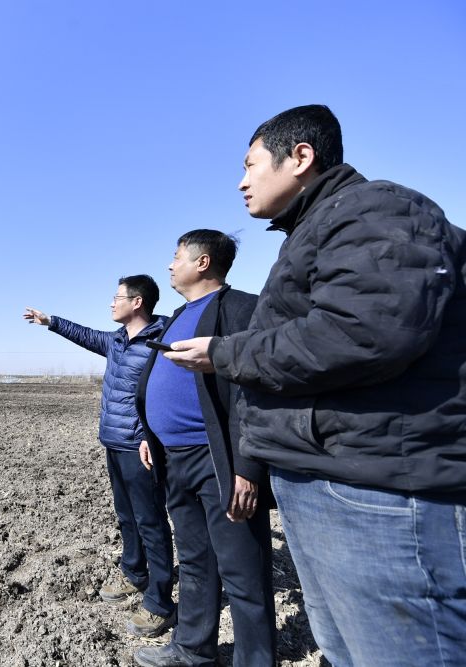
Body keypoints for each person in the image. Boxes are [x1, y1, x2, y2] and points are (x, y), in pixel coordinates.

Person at [167, 104, 466, 667]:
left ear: (300, 157)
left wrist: (227, 353)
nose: (241, 181)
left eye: (251, 164)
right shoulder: (318, 229)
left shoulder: (375, 210)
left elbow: (364, 332)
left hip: (379, 494)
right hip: (332, 479)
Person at [133, 230, 276, 667]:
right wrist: (150, 433)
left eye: (176, 256)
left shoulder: (242, 309)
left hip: (219, 461)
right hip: (173, 459)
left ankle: (255, 660)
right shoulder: (178, 314)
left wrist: (247, 468)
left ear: (202, 262)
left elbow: (257, 395)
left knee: (243, 571)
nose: (169, 265)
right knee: (195, 561)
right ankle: (193, 649)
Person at [23, 275, 176, 634]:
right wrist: (51, 322)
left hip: (141, 450)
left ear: (137, 302)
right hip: (113, 442)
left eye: (117, 297)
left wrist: (151, 438)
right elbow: (87, 335)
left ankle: (160, 601)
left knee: (151, 522)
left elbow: (167, 395)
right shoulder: (118, 341)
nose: (111, 303)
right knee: (126, 516)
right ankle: (134, 573)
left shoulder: (162, 342)